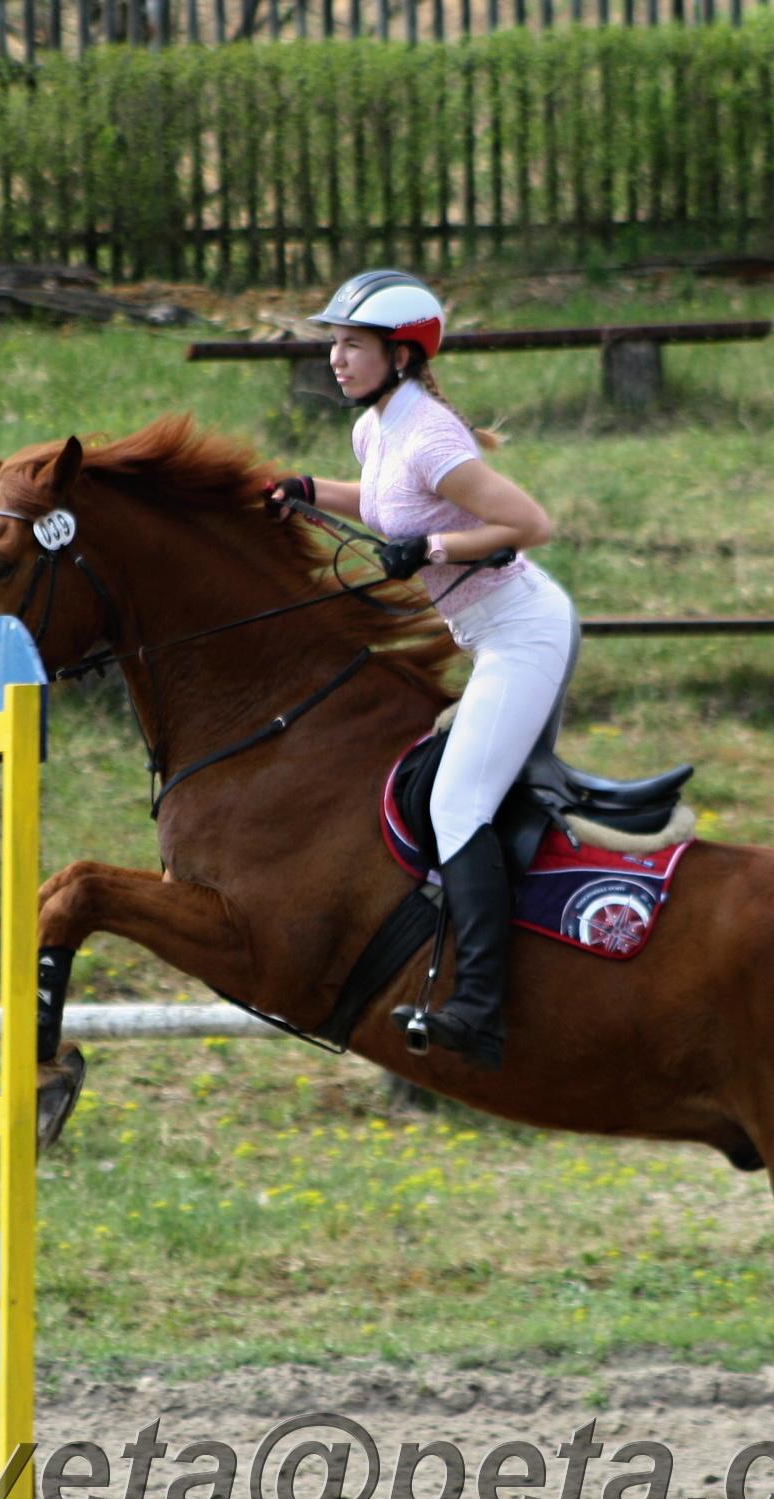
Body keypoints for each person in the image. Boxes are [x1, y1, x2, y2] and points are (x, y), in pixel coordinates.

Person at [267, 269, 578, 1071]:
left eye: (353, 345)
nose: (336, 358)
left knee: (456, 804)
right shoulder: (376, 428)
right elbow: (386, 503)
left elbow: (529, 523)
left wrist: (433, 548)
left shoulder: (432, 436)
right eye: (334, 343)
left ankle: (479, 1009)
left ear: (401, 355)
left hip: (524, 634)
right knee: (455, 796)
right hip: (491, 638)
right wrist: (309, 490)